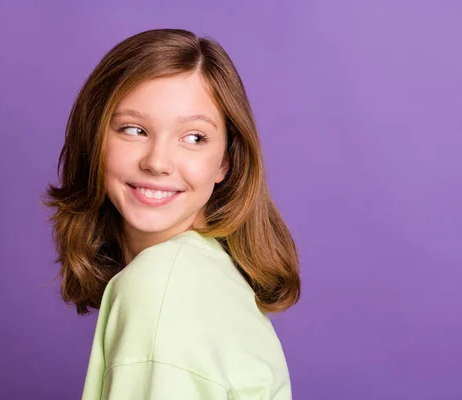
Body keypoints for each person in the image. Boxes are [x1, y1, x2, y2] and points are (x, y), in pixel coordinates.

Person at [44, 28, 301, 399]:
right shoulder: (206, 271)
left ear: (224, 163)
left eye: (194, 137)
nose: (158, 162)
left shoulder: (161, 285)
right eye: (134, 130)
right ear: (95, 139)